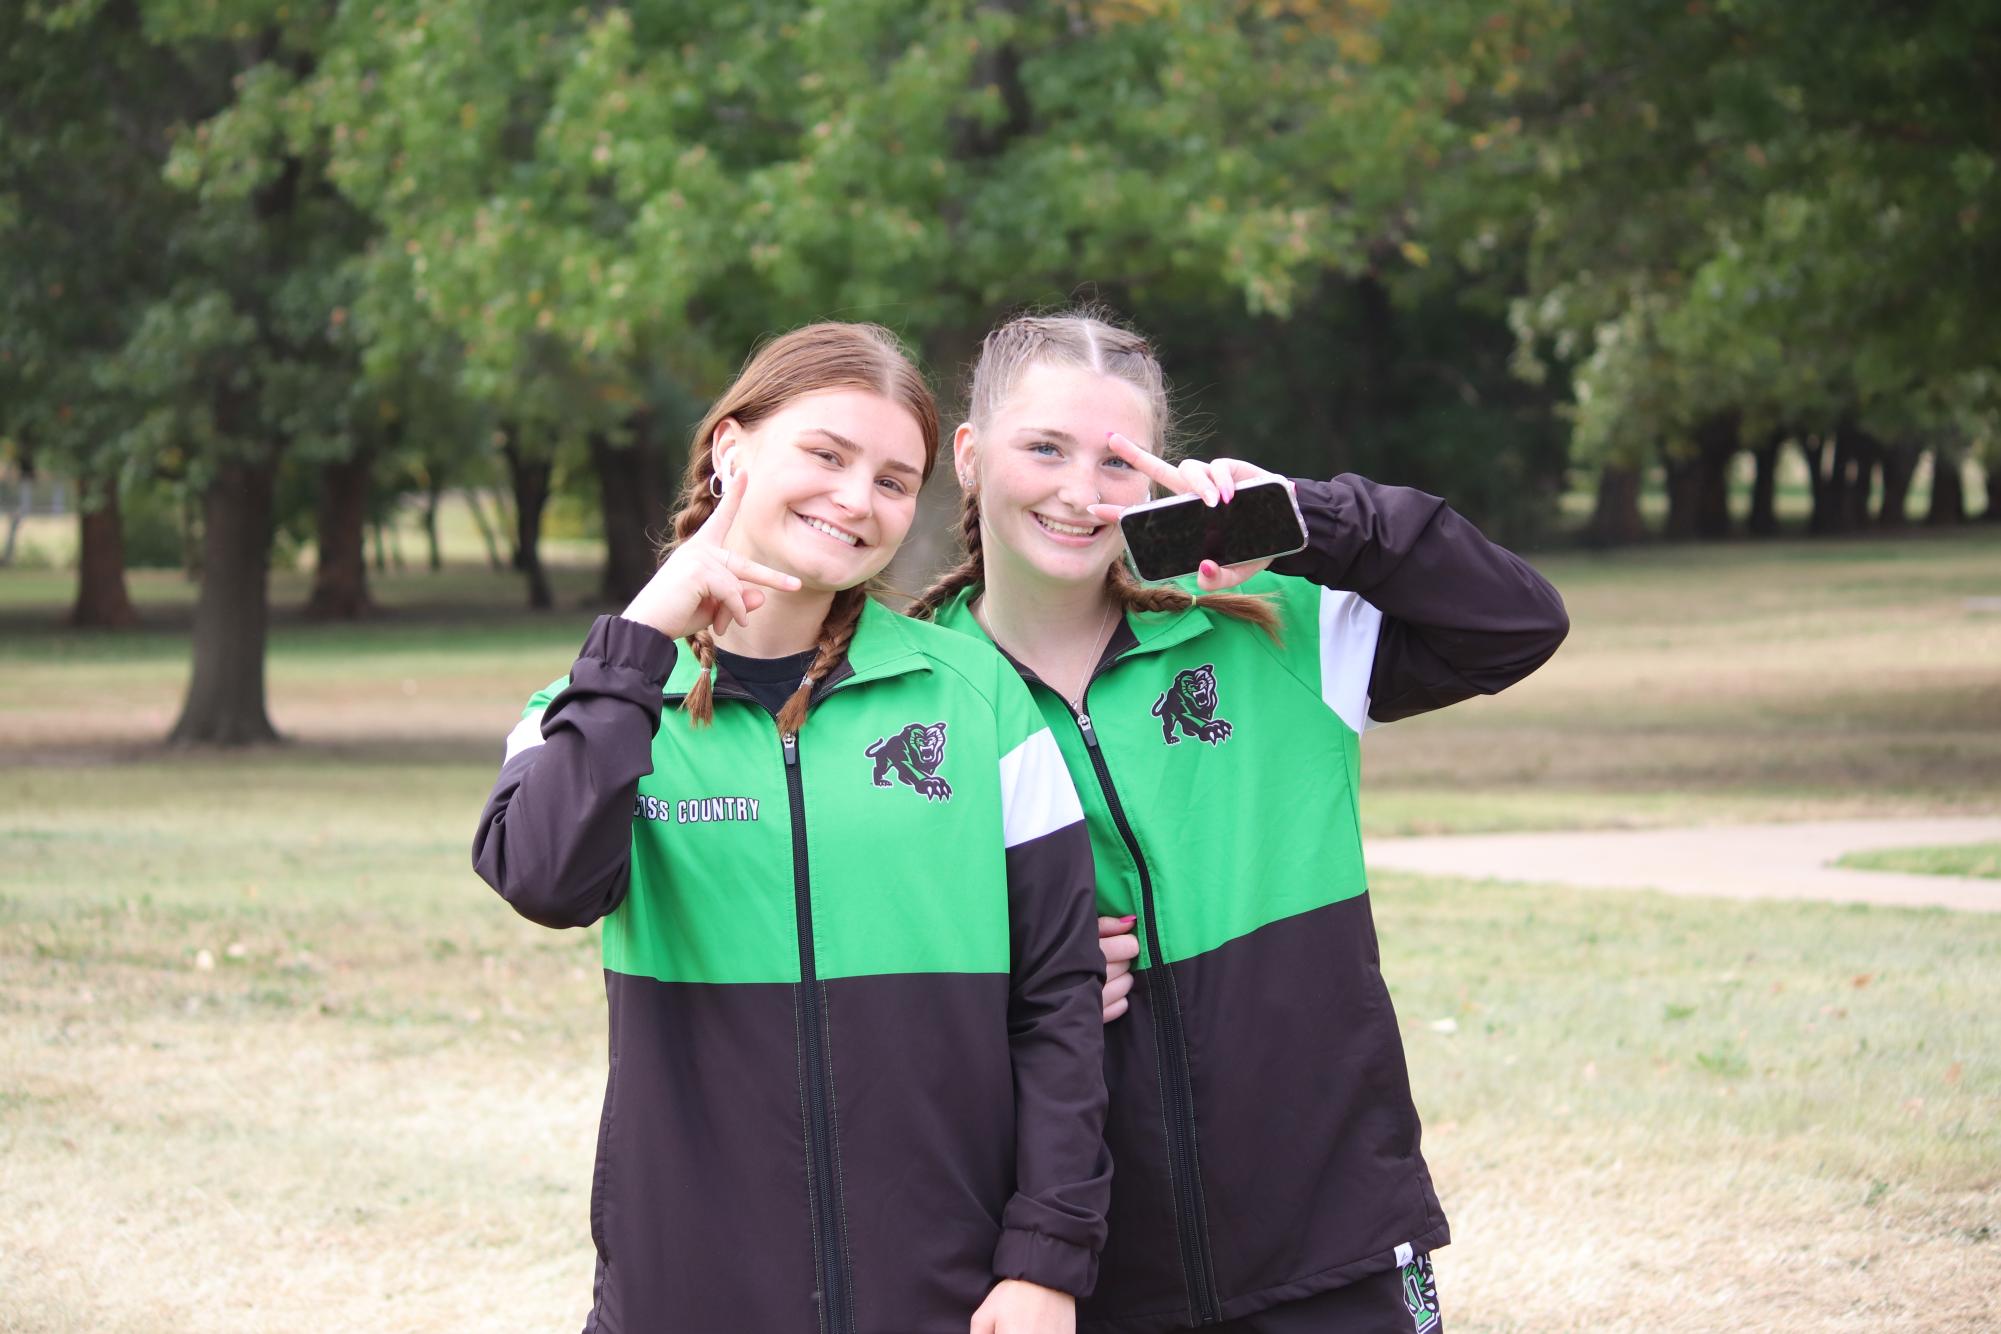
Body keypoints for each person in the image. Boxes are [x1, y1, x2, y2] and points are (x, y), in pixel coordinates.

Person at [910, 310, 1570, 1333]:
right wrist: (1013, 969)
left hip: (1330, 1234)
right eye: (1044, 447)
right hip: (1078, 1266)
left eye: (1118, 461)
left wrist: (1304, 517)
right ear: (969, 454)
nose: (1081, 492)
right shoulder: (906, 695)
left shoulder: (1273, 626)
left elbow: (1517, 622)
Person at [473, 322, 1110, 1334]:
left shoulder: (974, 692)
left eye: (895, 480)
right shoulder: (596, 700)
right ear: (733, 449)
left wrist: (1048, 1256)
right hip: (684, 1288)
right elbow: (542, 875)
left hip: (946, 1291)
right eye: (826, 454)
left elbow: (1060, 999)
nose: (858, 499)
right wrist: (640, 641)